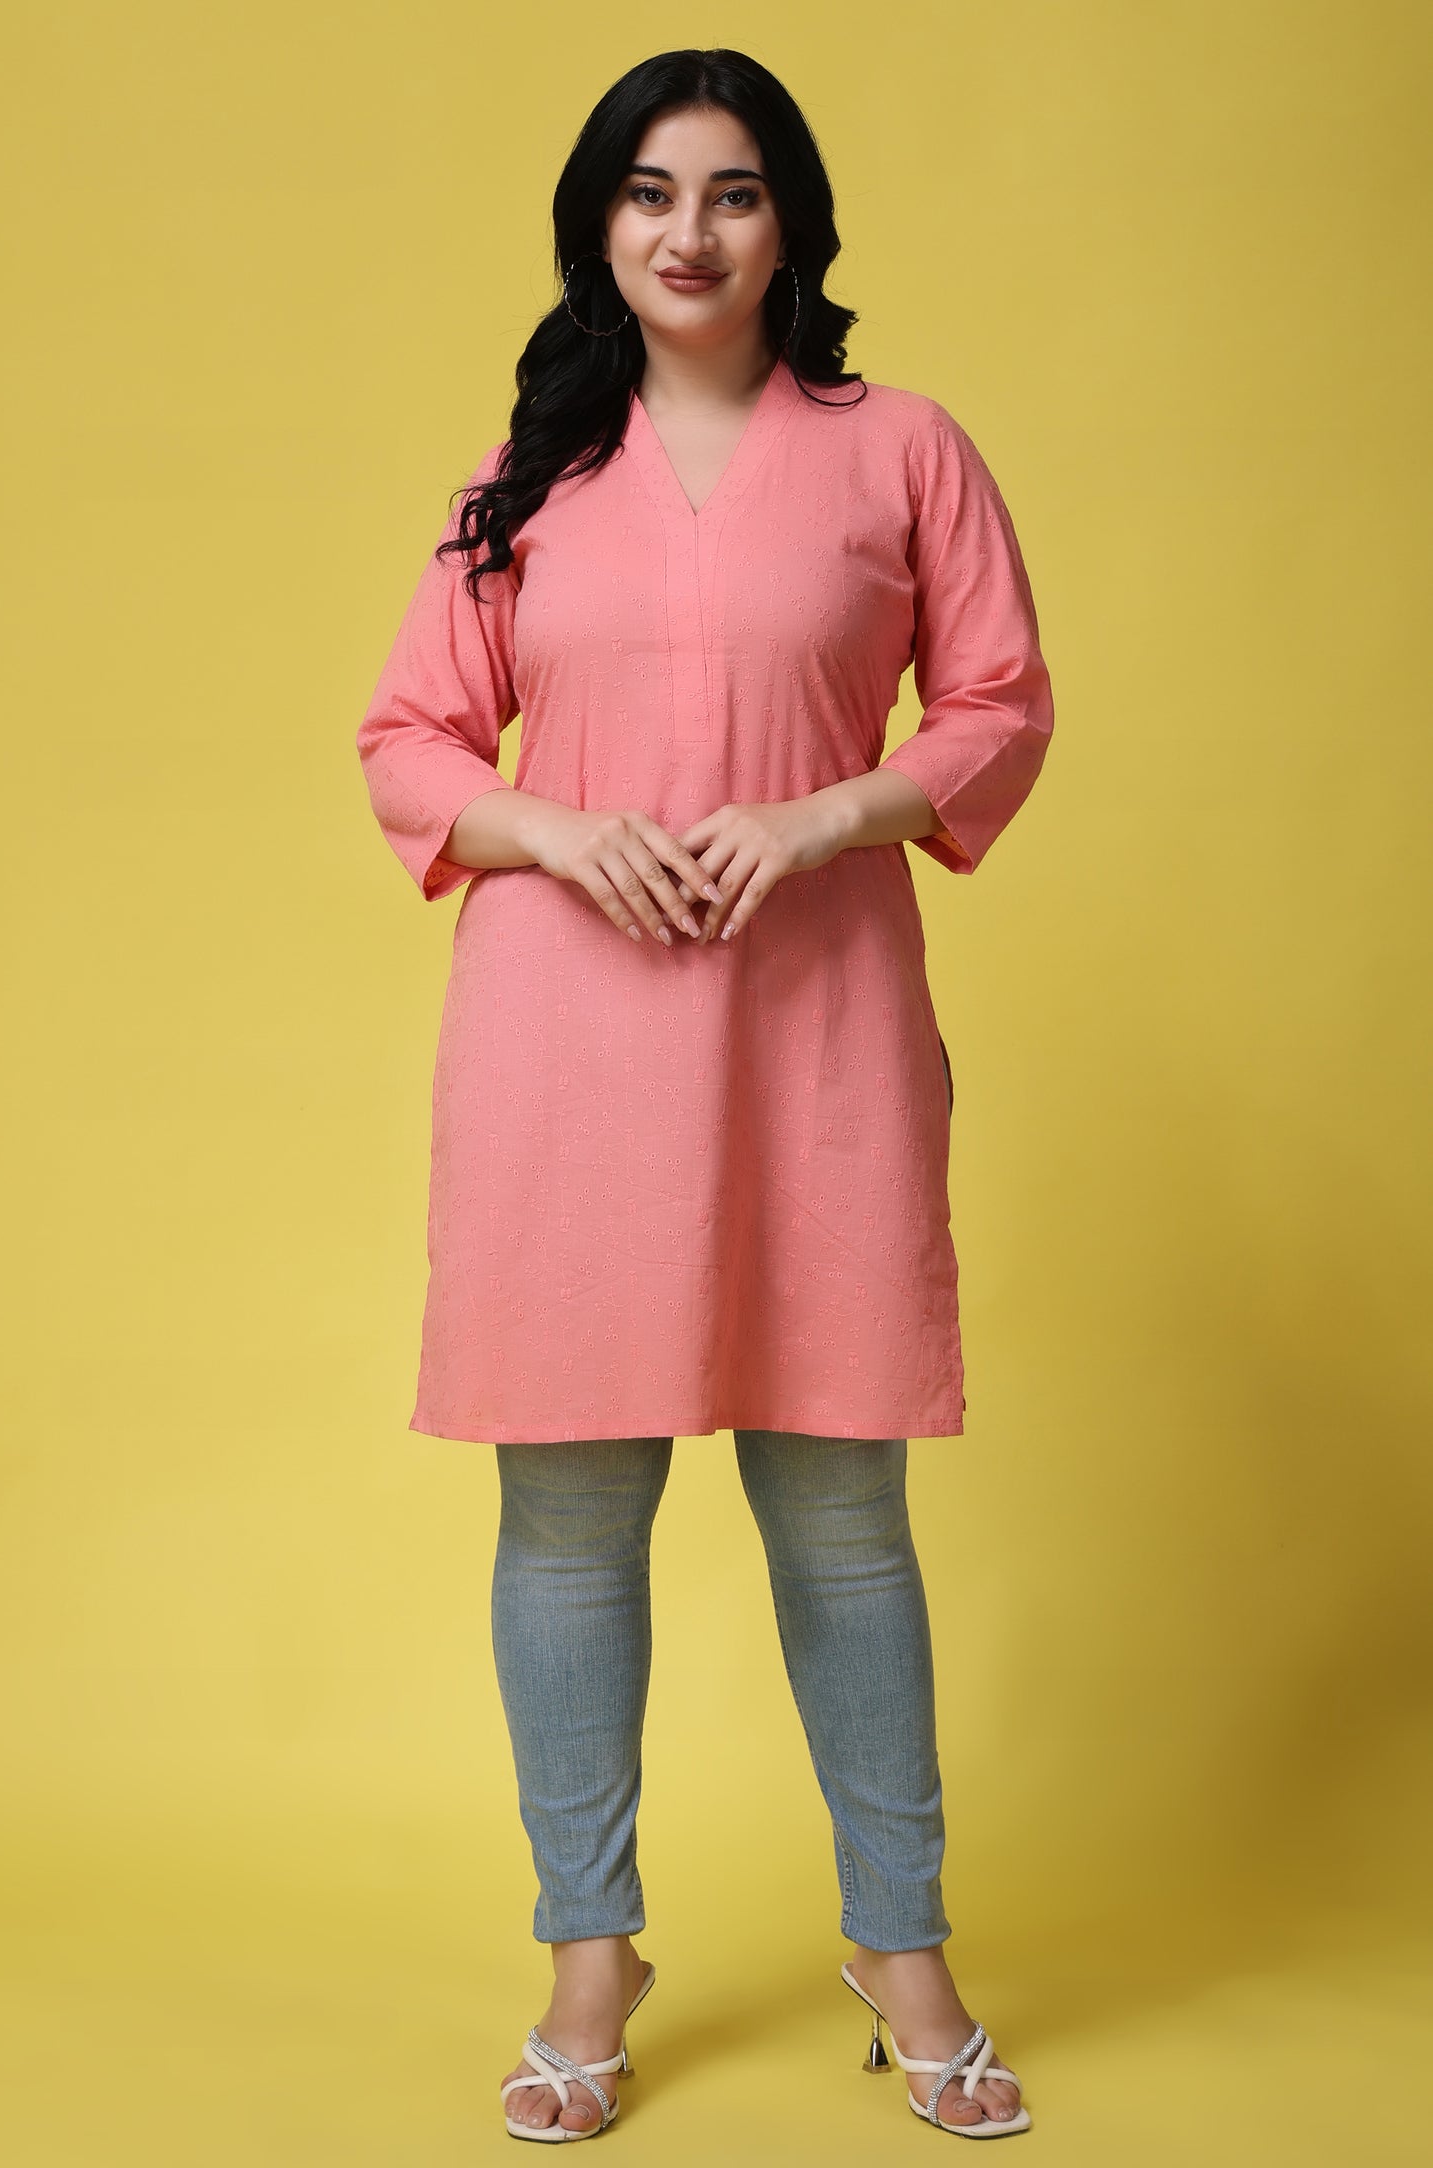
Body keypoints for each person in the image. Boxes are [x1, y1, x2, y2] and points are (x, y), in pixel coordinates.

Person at [356, 47, 1053, 2145]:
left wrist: (831, 809)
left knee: (843, 1517)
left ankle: (900, 1948)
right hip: (567, 1048)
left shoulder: (898, 450)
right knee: (570, 1522)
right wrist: (560, 831)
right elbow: (407, 741)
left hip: (814, 1035)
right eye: (649, 192)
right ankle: (592, 1953)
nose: (689, 230)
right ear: (600, 225)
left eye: (733, 192)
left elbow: (1000, 700)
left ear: (789, 225)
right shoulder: (528, 476)